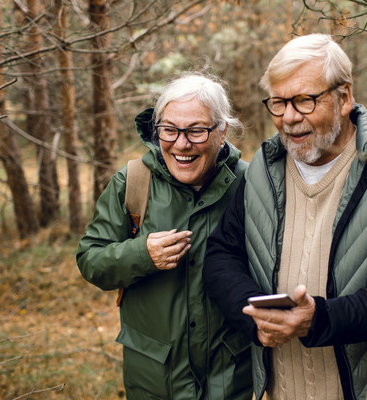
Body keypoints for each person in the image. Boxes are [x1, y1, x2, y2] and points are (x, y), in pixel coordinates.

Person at [203, 34, 367, 400]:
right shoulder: (262, 172)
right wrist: (253, 314)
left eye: (304, 100)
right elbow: (221, 256)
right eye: (279, 103)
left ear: (344, 97)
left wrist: (321, 318)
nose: (289, 118)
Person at [77, 73, 252, 399]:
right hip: (155, 376)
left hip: (230, 375)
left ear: (222, 130)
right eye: (169, 130)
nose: (181, 144)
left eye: (196, 130)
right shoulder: (132, 183)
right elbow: (90, 259)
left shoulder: (250, 184)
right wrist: (141, 254)